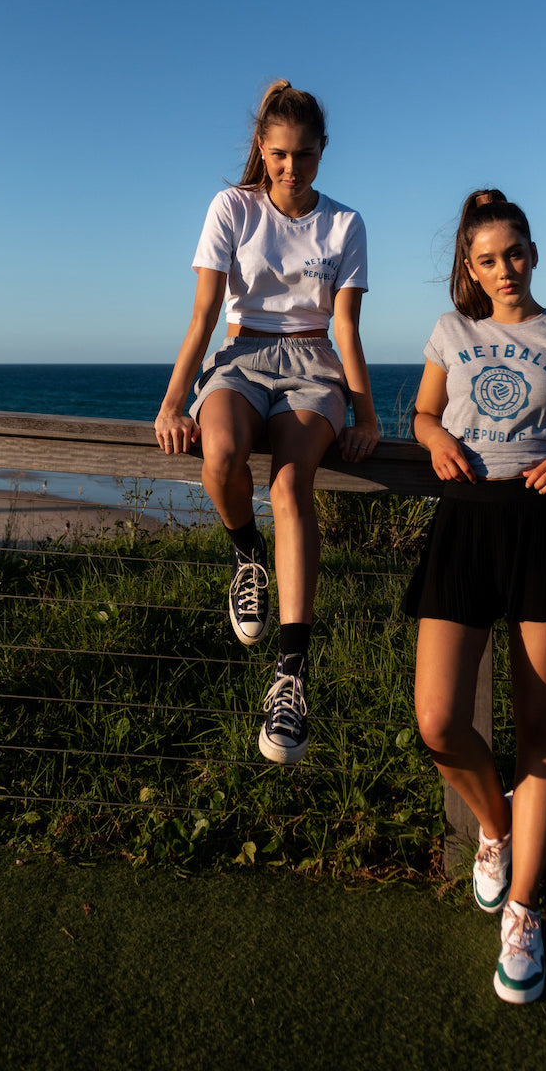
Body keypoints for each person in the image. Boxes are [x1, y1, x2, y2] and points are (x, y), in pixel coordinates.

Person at [404, 189, 546, 1004]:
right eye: (488, 259)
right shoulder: (451, 333)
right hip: (463, 523)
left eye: (516, 253)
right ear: (470, 267)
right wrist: (432, 437)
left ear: (534, 251)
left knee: (538, 725)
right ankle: (494, 828)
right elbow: (423, 411)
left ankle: (524, 912)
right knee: (437, 721)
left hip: (540, 526)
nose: (506, 271)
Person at [155, 79, 379, 765]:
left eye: (305, 155)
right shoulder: (232, 207)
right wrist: (171, 400)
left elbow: (344, 325)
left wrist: (364, 409)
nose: (291, 168)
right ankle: (247, 555)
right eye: (280, 154)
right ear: (263, 148)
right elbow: (202, 316)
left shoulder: (345, 224)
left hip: (313, 364)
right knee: (219, 454)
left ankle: (290, 674)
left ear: (323, 151)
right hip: (243, 354)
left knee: (289, 486)